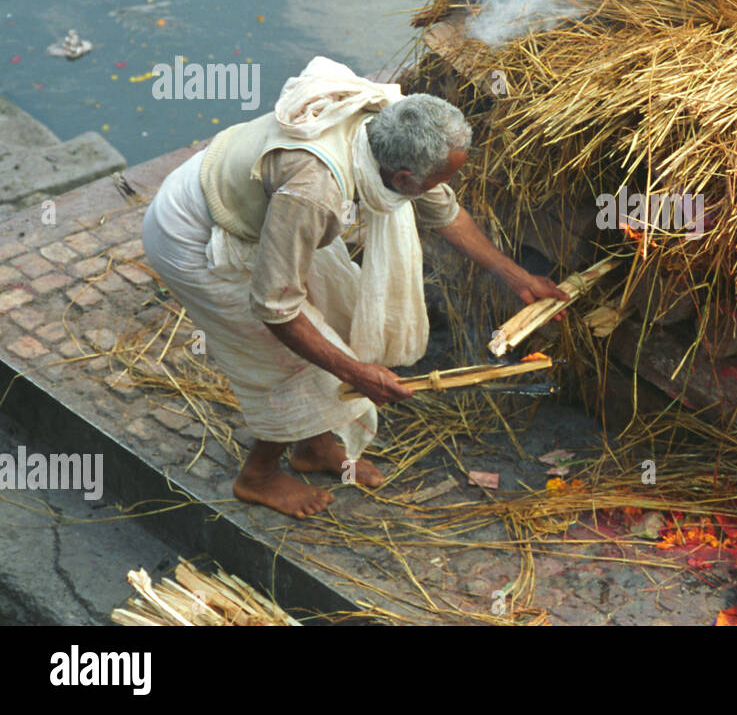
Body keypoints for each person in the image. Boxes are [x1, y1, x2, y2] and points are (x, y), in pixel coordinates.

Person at [141, 57, 567, 518]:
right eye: (442, 178)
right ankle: (259, 475)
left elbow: (443, 212)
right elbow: (275, 309)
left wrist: (517, 278)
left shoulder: (391, 127)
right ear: (403, 179)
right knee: (295, 361)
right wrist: (353, 372)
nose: (446, 186)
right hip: (198, 235)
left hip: (266, 214)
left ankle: (313, 446)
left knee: (340, 323)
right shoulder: (315, 191)